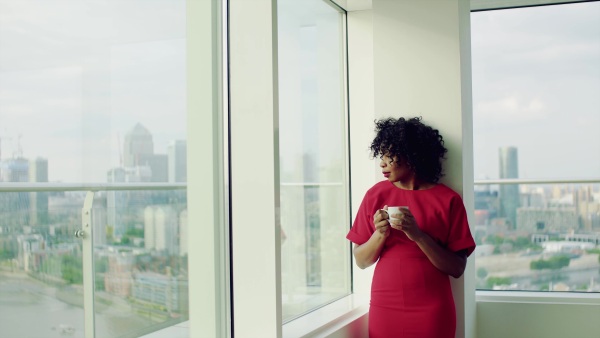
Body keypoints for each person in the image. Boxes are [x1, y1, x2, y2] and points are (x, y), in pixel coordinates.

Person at [346, 116, 476, 338]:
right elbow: (361, 261)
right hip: (385, 307)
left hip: (432, 311)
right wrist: (380, 233)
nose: (382, 163)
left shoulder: (448, 199)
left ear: (412, 155)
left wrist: (418, 235)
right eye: (381, 155)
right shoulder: (375, 195)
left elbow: (457, 268)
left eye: (390, 155)